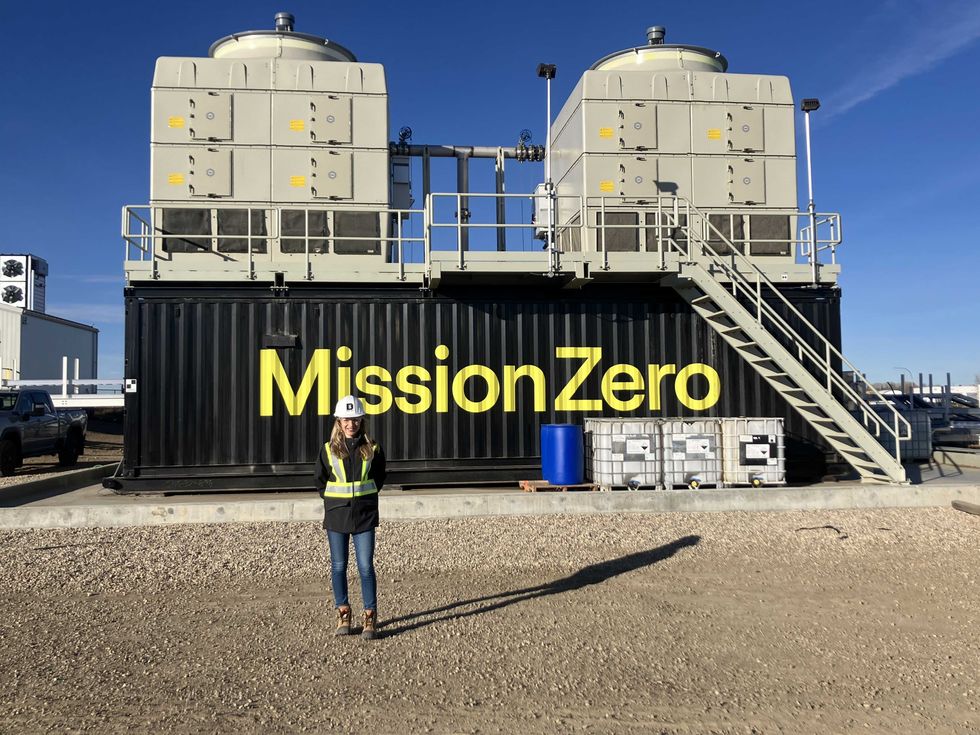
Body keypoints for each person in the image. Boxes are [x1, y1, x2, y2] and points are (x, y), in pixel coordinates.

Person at [314, 394, 386, 640]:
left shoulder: (373, 448)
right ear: (338, 421)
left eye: (355, 419)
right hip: (337, 516)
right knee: (338, 566)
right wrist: (334, 501)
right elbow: (320, 480)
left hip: (364, 515)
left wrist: (364, 499)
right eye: (346, 419)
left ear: (361, 421)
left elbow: (379, 477)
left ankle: (370, 616)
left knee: (366, 567)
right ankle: (343, 612)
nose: (350, 424)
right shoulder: (328, 449)